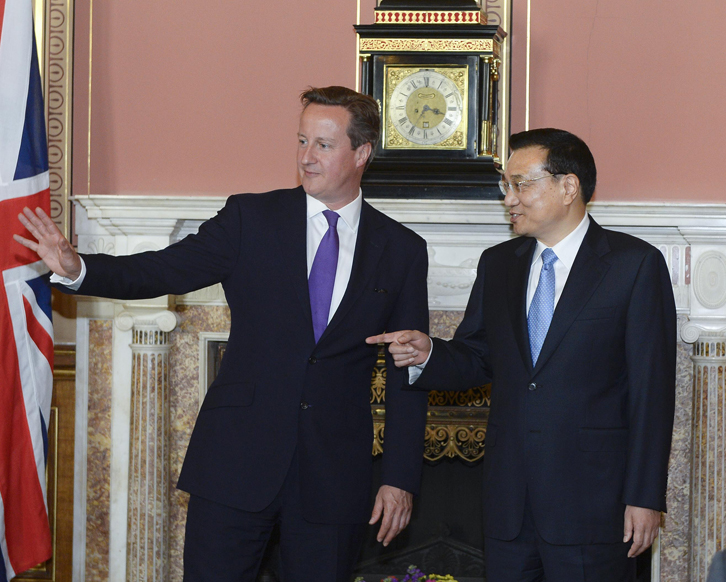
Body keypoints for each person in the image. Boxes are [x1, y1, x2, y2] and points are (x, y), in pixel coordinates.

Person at [15, 86, 430, 582]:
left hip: (332, 478)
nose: (305, 157)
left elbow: (409, 372)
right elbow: (162, 270)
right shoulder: (250, 219)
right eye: (301, 141)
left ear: (361, 153)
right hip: (235, 463)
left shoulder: (401, 250)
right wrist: (79, 268)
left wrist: (399, 478)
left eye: (323, 145)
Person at [367, 128, 676, 582]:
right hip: (508, 504)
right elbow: (477, 356)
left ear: (568, 186)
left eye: (521, 184)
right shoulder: (499, 263)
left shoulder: (634, 265)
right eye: (505, 185)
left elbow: (653, 395)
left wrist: (644, 497)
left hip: (594, 505)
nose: (508, 198)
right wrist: (429, 353)